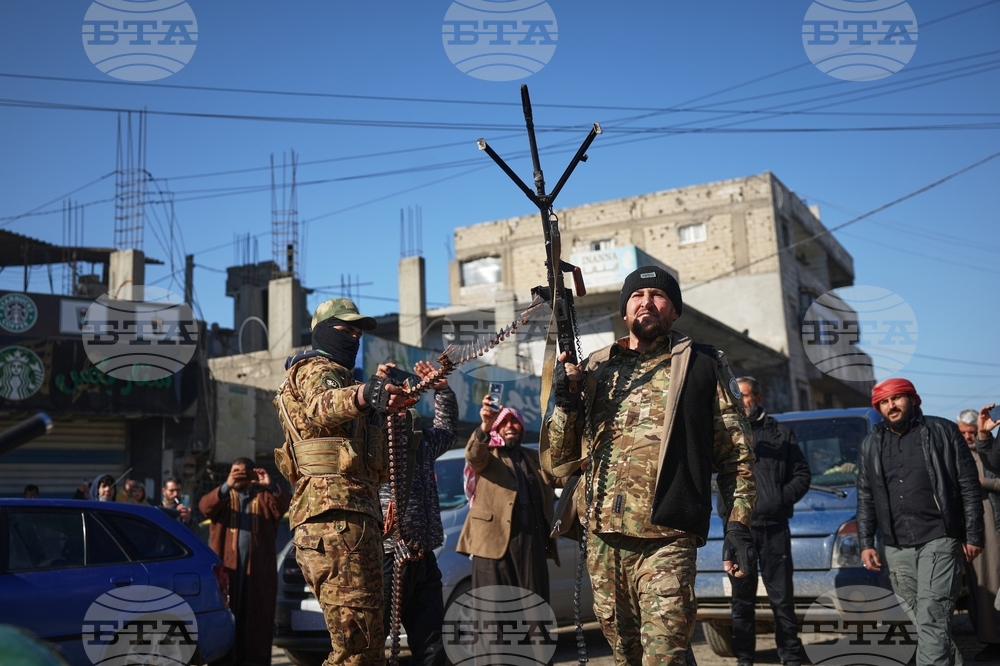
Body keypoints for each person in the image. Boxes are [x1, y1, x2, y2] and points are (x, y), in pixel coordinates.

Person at [543, 266, 756, 666]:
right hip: (604, 538)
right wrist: (565, 404)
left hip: (668, 538)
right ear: (625, 311)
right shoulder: (595, 367)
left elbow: (736, 455)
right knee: (626, 657)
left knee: (664, 655)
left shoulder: (703, 364)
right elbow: (560, 459)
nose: (647, 303)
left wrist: (738, 526)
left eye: (659, 296)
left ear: (674, 311)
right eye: (637, 297)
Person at [273, 298, 407, 666]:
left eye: (357, 332)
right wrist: (368, 393)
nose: (354, 337)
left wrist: (387, 400)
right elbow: (322, 405)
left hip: (354, 518)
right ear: (322, 331)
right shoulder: (315, 368)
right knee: (356, 649)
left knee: (368, 644)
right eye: (345, 329)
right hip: (331, 519)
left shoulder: (346, 378)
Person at [857, 379, 983, 666]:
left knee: (932, 615)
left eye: (897, 398)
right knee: (922, 622)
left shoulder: (942, 431)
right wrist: (866, 542)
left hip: (939, 537)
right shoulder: (871, 443)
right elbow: (865, 496)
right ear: (879, 407)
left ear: (913, 400)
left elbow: (968, 486)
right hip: (896, 545)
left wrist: (973, 535)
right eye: (885, 402)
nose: (892, 406)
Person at [378, 360, 458, 666]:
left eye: (410, 399)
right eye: (398, 398)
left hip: (422, 555)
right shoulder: (374, 438)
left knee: (434, 647)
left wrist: (443, 392)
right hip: (388, 557)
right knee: (374, 644)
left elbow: (448, 431)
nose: (405, 405)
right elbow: (355, 423)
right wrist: (375, 386)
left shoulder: (420, 441)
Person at [727, 377, 809, 666]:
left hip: (774, 530)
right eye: (735, 395)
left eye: (745, 395)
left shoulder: (781, 434)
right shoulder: (727, 435)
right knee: (741, 602)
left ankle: (790, 656)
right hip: (740, 533)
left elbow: (802, 475)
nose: (740, 401)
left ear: (758, 398)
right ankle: (744, 659)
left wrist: (778, 499)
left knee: (782, 600)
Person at [457, 398, 558, 603]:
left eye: (515, 422)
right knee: (496, 617)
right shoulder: (488, 456)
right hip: (491, 546)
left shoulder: (534, 457)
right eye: (504, 422)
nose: (510, 426)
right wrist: (485, 425)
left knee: (535, 613)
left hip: (531, 544)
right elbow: (473, 455)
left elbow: (560, 475)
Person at [198, 457, 289, 666]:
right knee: (226, 619)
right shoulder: (223, 497)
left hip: (259, 573)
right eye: (234, 471)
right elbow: (204, 507)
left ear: (252, 474)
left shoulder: (264, 497)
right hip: (227, 572)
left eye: (242, 473)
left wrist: (271, 484)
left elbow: (286, 504)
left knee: (257, 621)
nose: (238, 476)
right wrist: (227, 484)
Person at [960, 409, 1000, 661]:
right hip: (968, 528)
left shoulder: (991, 451)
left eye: (972, 432)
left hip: (991, 523)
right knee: (978, 587)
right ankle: (988, 638)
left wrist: (980, 482)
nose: (967, 437)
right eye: (963, 433)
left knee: (993, 581)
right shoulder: (955, 453)